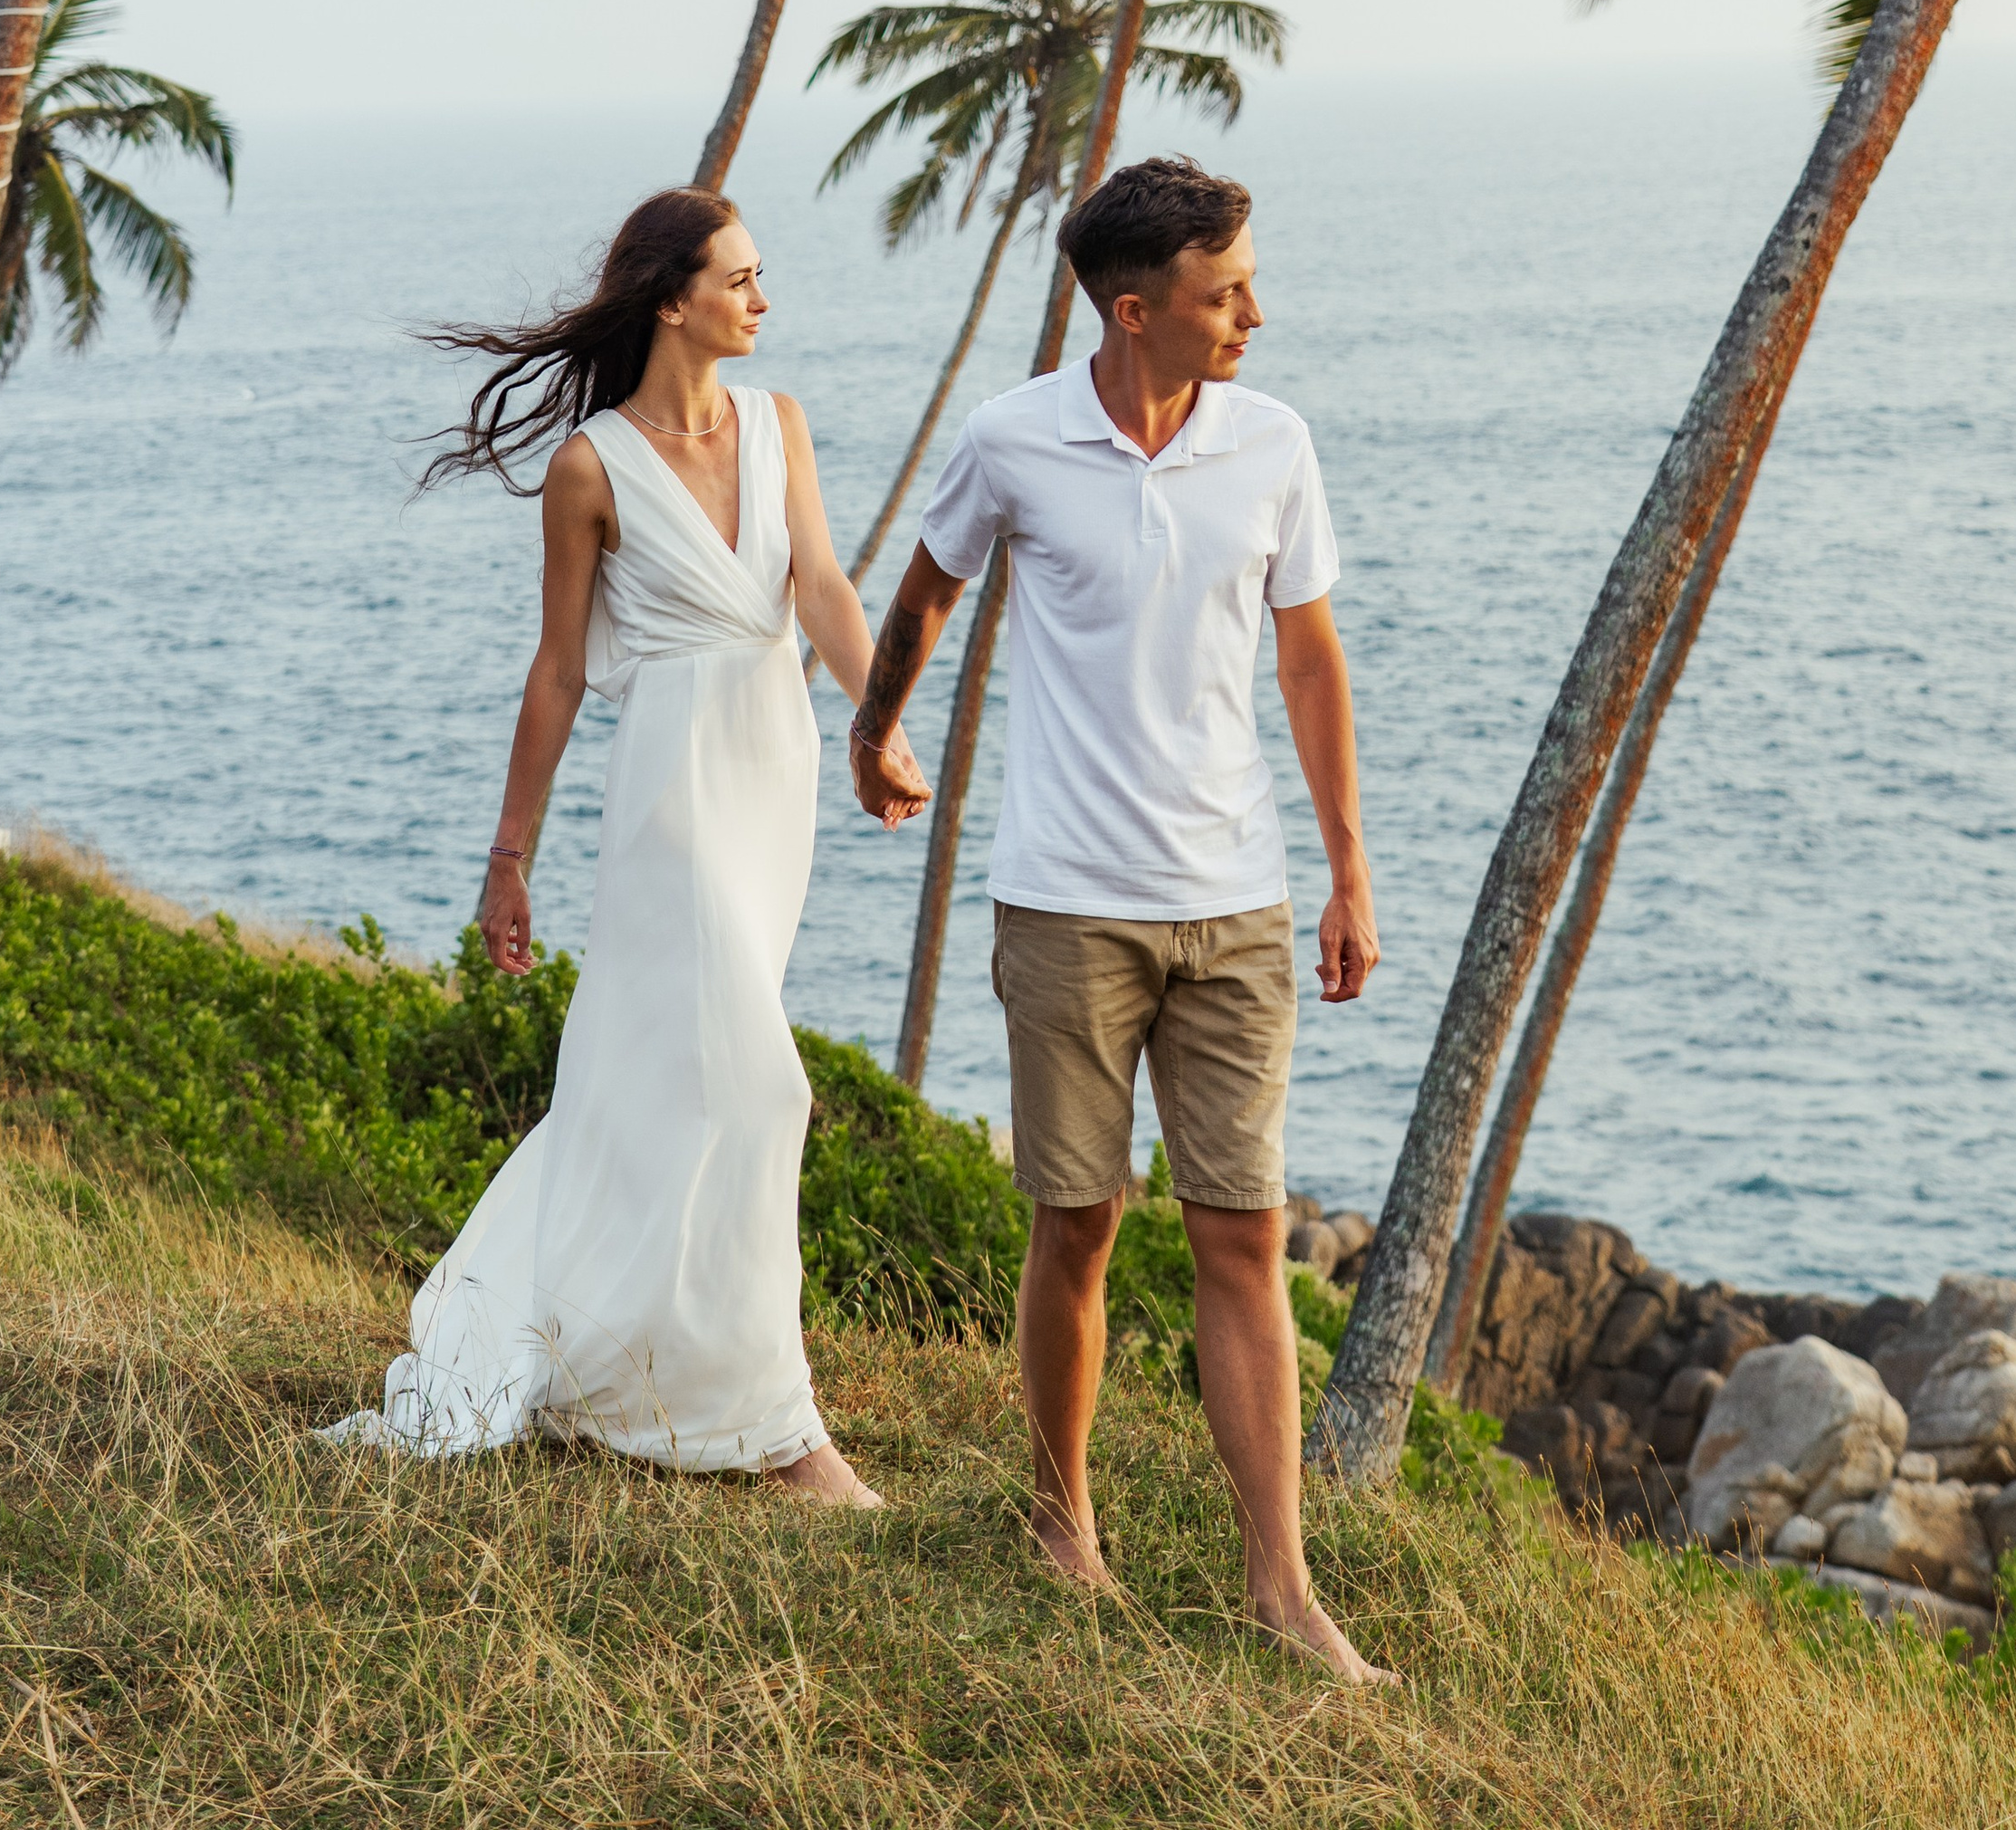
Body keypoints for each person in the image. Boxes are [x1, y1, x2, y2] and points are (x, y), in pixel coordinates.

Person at [849, 156, 1382, 1678]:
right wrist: (877, 724)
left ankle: (1281, 1584)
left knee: (1243, 1233)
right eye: (1226, 297)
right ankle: (1060, 1514)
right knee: (1076, 1222)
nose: (1255, 317)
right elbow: (928, 588)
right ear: (1134, 309)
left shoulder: (1275, 444)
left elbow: (1312, 664)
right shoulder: (1016, 438)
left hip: (1238, 902)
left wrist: (1348, 869)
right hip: (1068, 901)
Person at [323, 187, 930, 1492]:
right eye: (743, 276)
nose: (764, 297)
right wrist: (508, 856)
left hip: (773, 776)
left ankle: (623, 1352)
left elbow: (818, 582)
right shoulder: (590, 467)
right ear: (673, 297)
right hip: (675, 789)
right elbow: (555, 672)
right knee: (764, 1084)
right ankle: (779, 1430)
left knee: (674, 1085)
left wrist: (876, 726)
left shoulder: (780, 424)